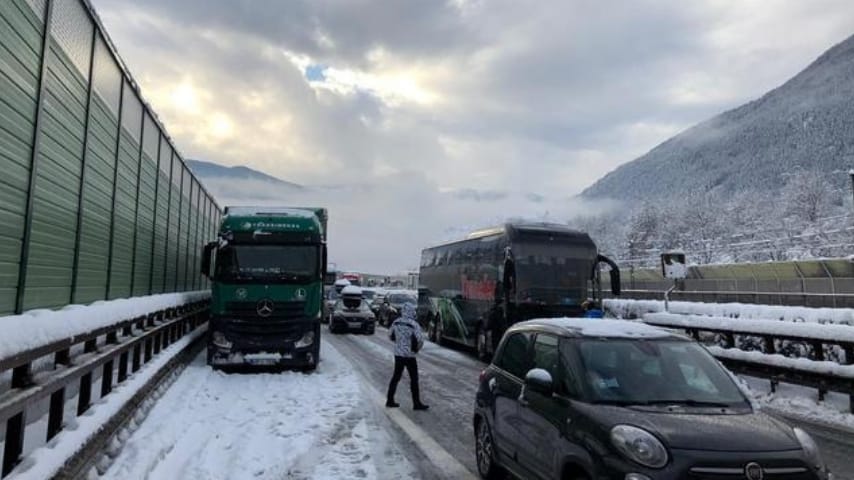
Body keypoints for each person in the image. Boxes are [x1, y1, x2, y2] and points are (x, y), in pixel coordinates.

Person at [386, 303, 429, 410]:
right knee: (414, 379)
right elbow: (420, 340)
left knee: (396, 377)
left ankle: (390, 400)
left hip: (398, 355)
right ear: (411, 312)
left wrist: (398, 343)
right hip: (410, 356)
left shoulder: (396, 322)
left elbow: (390, 335)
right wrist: (416, 349)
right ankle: (416, 403)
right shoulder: (414, 324)